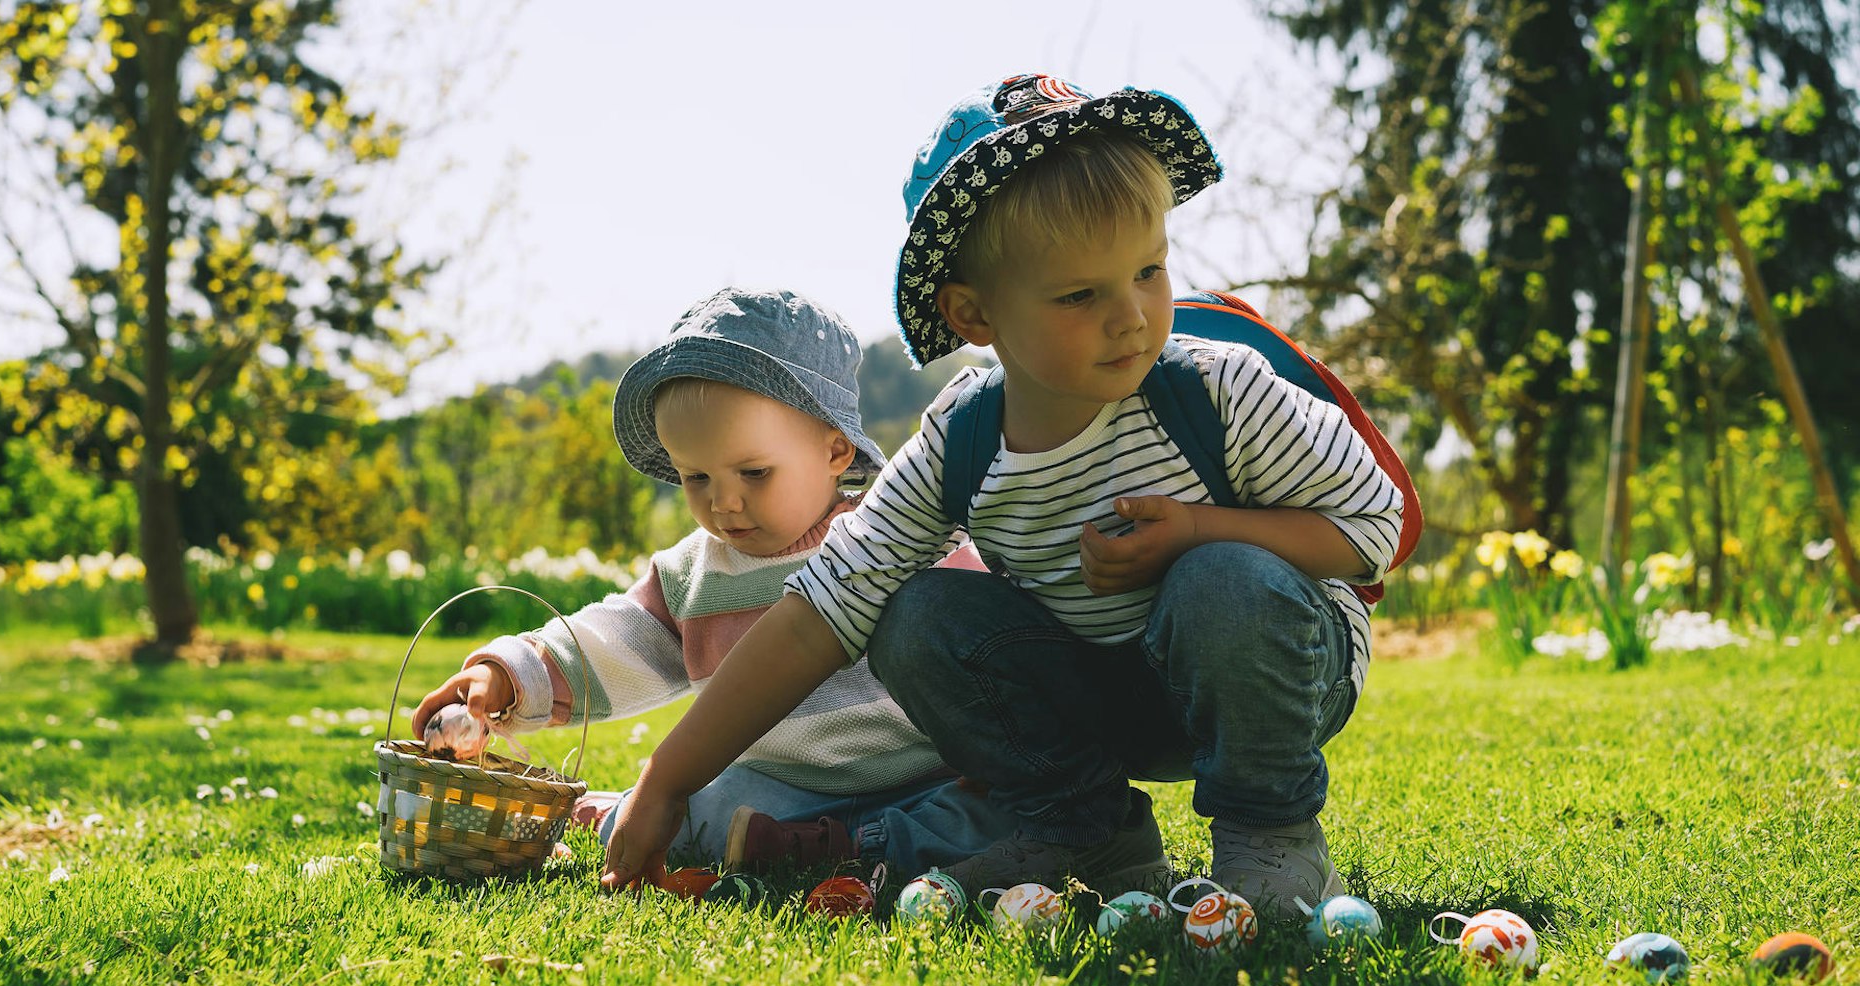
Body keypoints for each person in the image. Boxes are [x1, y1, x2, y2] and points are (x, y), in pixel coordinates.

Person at [599, 74, 1403, 916]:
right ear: (975, 314)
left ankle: (1270, 836)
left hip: (1276, 672)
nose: (1131, 315)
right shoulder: (966, 439)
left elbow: (1373, 528)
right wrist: (668, 779)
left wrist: (1198, 530)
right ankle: (1087, 829)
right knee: (912, 612)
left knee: (1222, 577)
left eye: (1148, 270)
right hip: (1105, 696)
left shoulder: (1215, 393)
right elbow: (820, 610)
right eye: (1080, 294)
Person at [410, 286, 1013, 877]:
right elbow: (613, 640)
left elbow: (986, 639)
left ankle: (816, 846)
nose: (723, 502)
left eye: (754, 472)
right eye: (694, 476)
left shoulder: (901, 536)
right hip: (774, 787)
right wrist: (509, 674)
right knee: (697, 811)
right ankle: (688, 828)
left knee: (994, 815)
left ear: (835, 451)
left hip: (917, 779)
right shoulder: (692, 576)